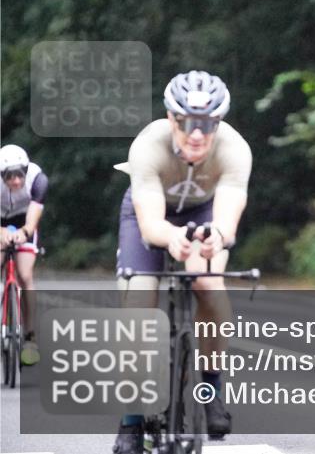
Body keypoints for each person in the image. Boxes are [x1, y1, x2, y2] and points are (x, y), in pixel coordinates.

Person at [112, 71, 252, 454]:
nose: (197, 134)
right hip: (152, 216)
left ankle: (211, 388)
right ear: (172, 120)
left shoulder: (235, 149)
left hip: (204, 213)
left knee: (209, 285)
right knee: (138, 307)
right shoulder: (147, 146)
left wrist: (216, 239)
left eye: (207, 124)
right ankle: (131, 420)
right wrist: (171, 237)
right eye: (188, 122)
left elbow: (226, 218)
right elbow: (151, 223)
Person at [0, 144, 48, 366]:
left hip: (24, 221)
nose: (16, 181)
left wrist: (25, 232)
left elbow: (33, 217)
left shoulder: (38, 179)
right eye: (9, 177)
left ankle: (30, 336)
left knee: (25, 274)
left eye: (20, 174)